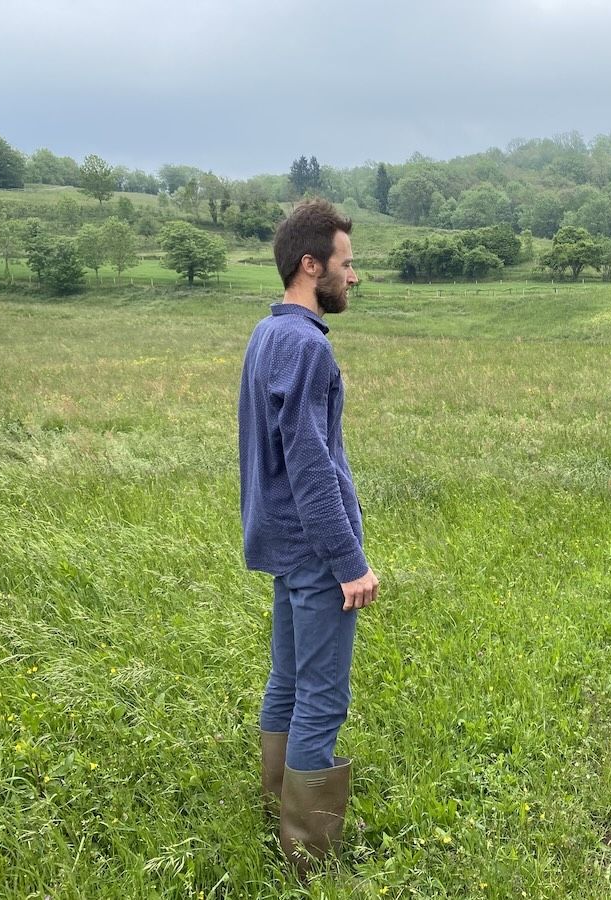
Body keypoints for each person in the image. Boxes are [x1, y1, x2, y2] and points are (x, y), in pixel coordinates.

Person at [237, 199, 379, 876]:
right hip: (317, 551)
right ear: (311, 265)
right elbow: (311, 466)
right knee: (323, 696)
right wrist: (349, 562)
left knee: (288, 681)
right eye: (346, 264)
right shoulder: (307, 346)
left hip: (283, 546)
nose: (354, 276)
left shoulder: (267, 334)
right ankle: (309, 856)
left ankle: (281, 810)